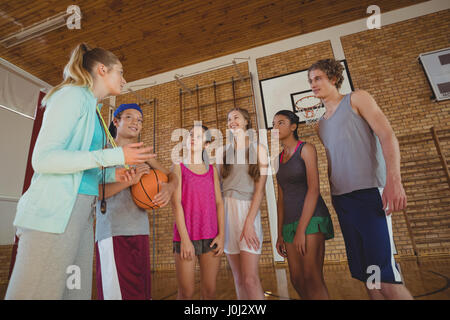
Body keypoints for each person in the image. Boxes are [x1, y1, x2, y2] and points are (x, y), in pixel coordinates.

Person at [5, 43, 155, 300]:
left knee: (74, 294)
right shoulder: (71, 96)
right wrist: (116, 156)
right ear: (102, 70)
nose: (125, 79)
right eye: (121, 72)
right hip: (53, 216)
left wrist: (113, 175)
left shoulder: (93, 109)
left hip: (82, 216)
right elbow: (43, 160)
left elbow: (81, 167)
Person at [309, 58, 413, 300]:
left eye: (318, 78)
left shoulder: (357, 99)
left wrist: (393, 181)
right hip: (342, 201)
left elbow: (387, 135)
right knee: (369, 276)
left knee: (385, 276)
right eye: (310, 81)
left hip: (370, 193)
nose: (313, 84)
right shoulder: (320, 125)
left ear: (333, 78)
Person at [95, 103, 177, 300]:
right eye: (130, 117)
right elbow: (96, 192)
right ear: (116, 121)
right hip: (113, 231)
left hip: (140, 229)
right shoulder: (102, 151)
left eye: (140, 120)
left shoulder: (142, 153)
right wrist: (129, 181)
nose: (136, 122)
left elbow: (172, 175)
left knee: (140, 294)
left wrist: (169, 187)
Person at [273, 110, 334, 300]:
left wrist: (301, 229)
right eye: (273, 124)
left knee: (312, 276)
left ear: (293, 126)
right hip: (289, 223)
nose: (275, 127)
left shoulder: (306, 149)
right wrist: (280, 233)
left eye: (281, 123)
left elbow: (314, 189)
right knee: (297, 279)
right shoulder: (277, 160)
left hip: (311, 219)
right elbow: (280, 198)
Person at [217, 107, 268, 300]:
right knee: (238, 279)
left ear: (247, 122)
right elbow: (215, 185)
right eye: (229, 119)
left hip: (247, 212)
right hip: (227, 214)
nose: (232, 122)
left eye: (236, 118)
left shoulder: (259, 149)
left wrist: (248, 224)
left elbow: (260, 190)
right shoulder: (222, 152)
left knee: (250, 279)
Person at [171, 124, 225, 300]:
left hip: (211, 236)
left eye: (199, 136)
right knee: (186, 293)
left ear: (206, 145)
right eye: (191, 135)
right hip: (185, 237)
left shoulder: (212, 170)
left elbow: (219, 203)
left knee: (209, 292)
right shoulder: (178, 167)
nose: (193, 138)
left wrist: (222, 235)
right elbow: (176, 205)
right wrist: (186, 240)